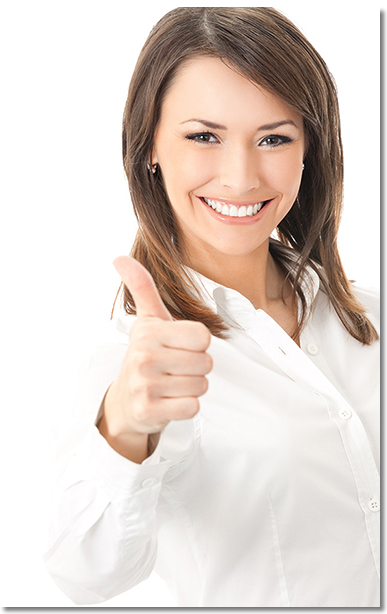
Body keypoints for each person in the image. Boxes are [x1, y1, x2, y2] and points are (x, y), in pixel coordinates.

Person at [44, 7, 380, 607]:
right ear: (150, 145)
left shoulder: (367, 313)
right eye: (204, 136)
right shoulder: (135, 362)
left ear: (310, 152)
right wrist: (126, 425)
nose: (240, 176)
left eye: (274, 138)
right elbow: (83, 575)